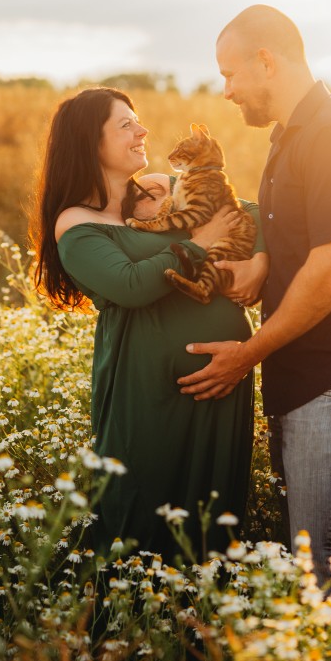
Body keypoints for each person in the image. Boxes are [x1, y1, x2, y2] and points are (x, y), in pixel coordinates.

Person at [179, 5, 331, 592]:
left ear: (266, 61)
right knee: (316, 564)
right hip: (307, 376)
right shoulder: (291, 137)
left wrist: (246, 353)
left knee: (326, 571)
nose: (225, 91)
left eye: (229, 74)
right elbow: (309, 241)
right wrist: (263, 265)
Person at [30, 86, 268, 562]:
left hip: (223, 380)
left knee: (212, 520)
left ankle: (203, 628)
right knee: (141, 515)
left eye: (138, 121)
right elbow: (132, 284)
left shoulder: (160, 195)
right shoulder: (76, 223)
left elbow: (257, 214)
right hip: (148, 394)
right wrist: (199, 242)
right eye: (125, 125)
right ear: (87, 141)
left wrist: (260, 260)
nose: (143, 131)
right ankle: (126, 626)